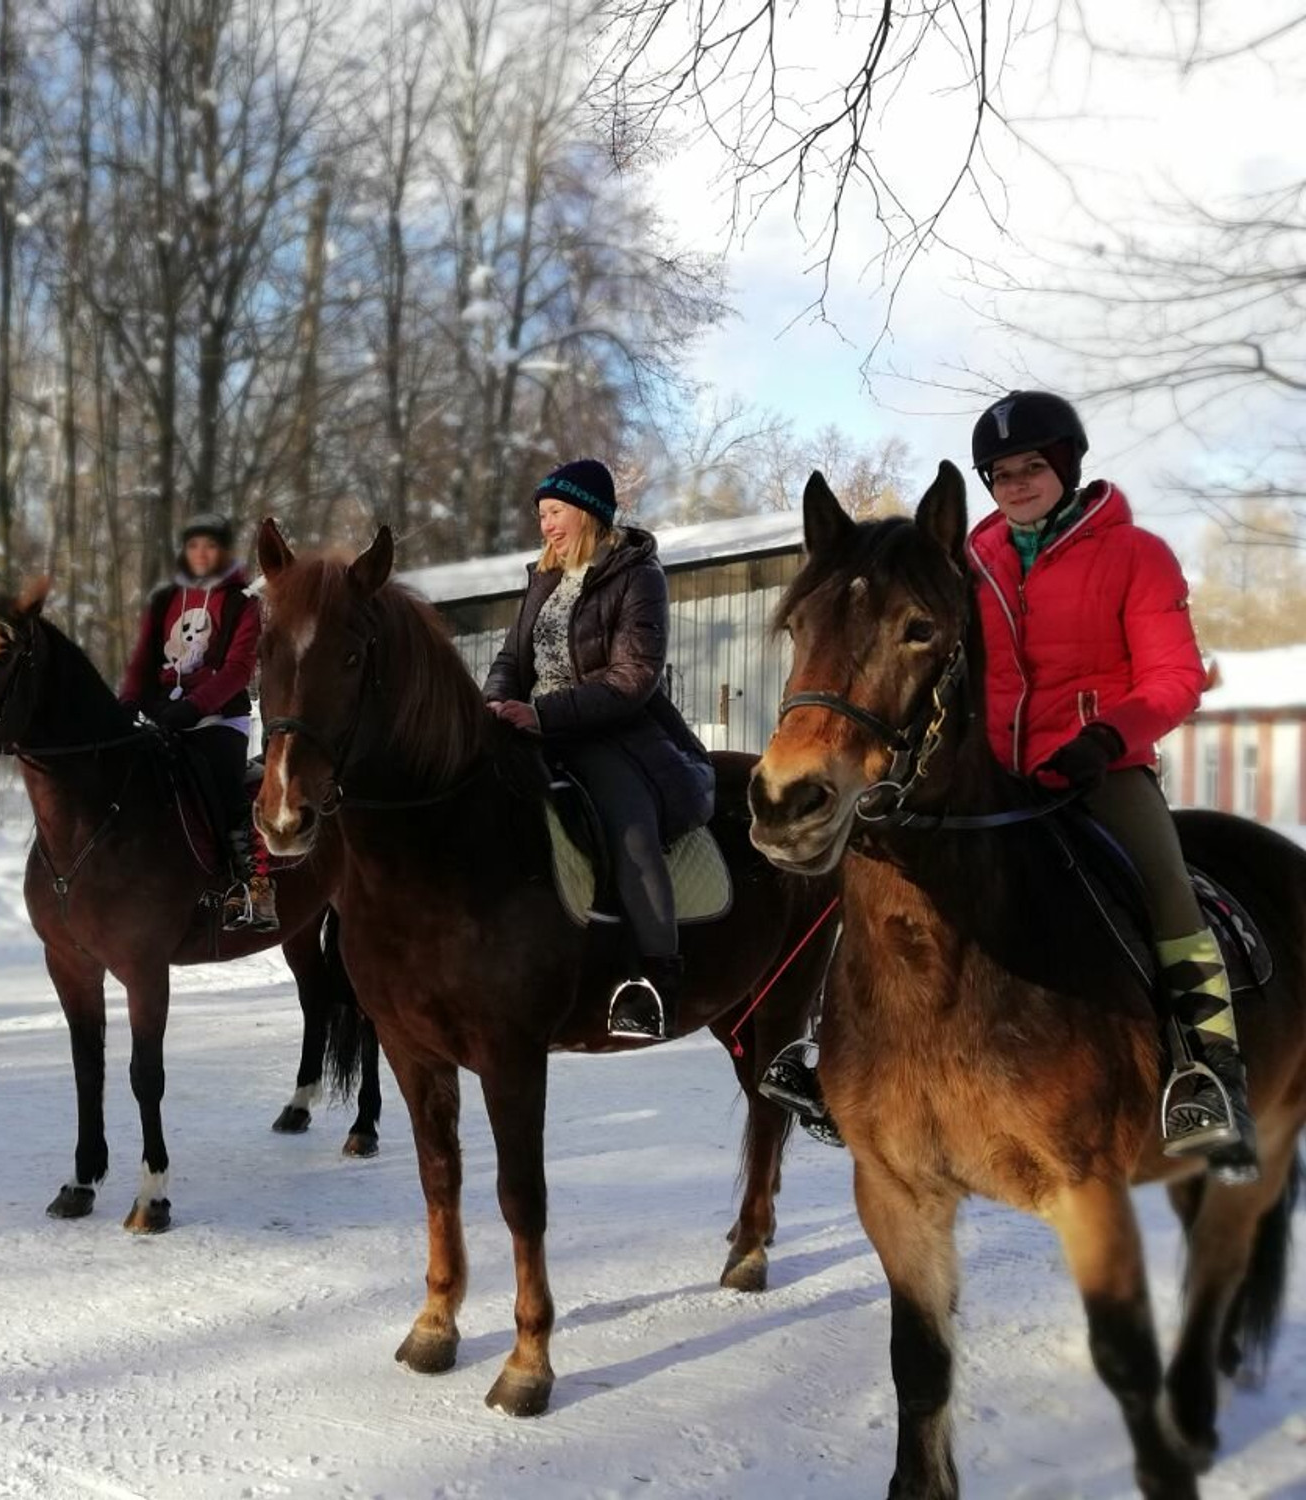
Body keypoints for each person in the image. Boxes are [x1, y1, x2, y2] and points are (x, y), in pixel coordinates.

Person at [764, 392, 1254, 1182]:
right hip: (982, 771)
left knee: (1167, 889)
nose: (1017, 483)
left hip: (1096, 770)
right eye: (1001, 473)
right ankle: (830, 1053)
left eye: (1032, 468)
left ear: (1066, 466)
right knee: (868, 869)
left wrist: (1108, 735)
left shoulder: (1135, 555)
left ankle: (1209, 1073)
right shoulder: (967, 560)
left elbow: (1175, 677)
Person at [483, 459, 716, 1039]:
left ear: (587, 512)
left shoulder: (639, 576)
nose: (547, 526)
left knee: (628, 828)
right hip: (531, 726)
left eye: (555, 512)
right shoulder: (542, 577)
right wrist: (491, 706)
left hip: (611, 731)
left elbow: (633, 677)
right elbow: (512, 660)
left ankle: (658, 977)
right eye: (541, 515)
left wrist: (543, 713)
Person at [117, 513, 275, 931]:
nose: (201, 554)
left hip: (221, 718)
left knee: (220, 782)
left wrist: (195, 707)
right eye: (193, 546)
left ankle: (254, 889)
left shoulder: (243, 603)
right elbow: (143, 659)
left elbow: (239, 669)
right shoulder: (164, 599)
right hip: (165, 714)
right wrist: (130, 700)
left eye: (210, 546)